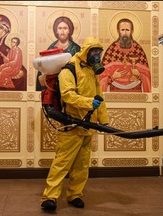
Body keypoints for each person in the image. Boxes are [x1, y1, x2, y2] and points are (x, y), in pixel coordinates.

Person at [40, 36, 109, 211]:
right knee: (62, 163)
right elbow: (67, 95)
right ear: (85, 52)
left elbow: (99, 98)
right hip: (71, 125)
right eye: (94, 52)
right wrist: (88, 103)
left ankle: (75, 194)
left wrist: (104, 120)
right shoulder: (69, 70)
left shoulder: (92, 71)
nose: (96, 56)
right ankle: (50, 197)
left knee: (82, 165)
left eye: (99, 53)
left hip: (88, 126)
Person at [100, 18, 151, 92]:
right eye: (122, 30)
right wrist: (112, 77)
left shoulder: (138, 49)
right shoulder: (112, 49)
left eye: (127, 30)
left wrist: (139, 75)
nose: (125, 33)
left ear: (132, 31)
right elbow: (101, 77)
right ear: (118, 31)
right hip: (115, 91)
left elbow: (147, 76)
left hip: (135, 90)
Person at [36, 16, 80, 91]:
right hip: (53, 87)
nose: (62, 31)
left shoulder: (76, 49)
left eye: (65, 28)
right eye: (60, 28)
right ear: (56, 31)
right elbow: (43, 68)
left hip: (71, 85)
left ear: (69, 31)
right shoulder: (51, 48)